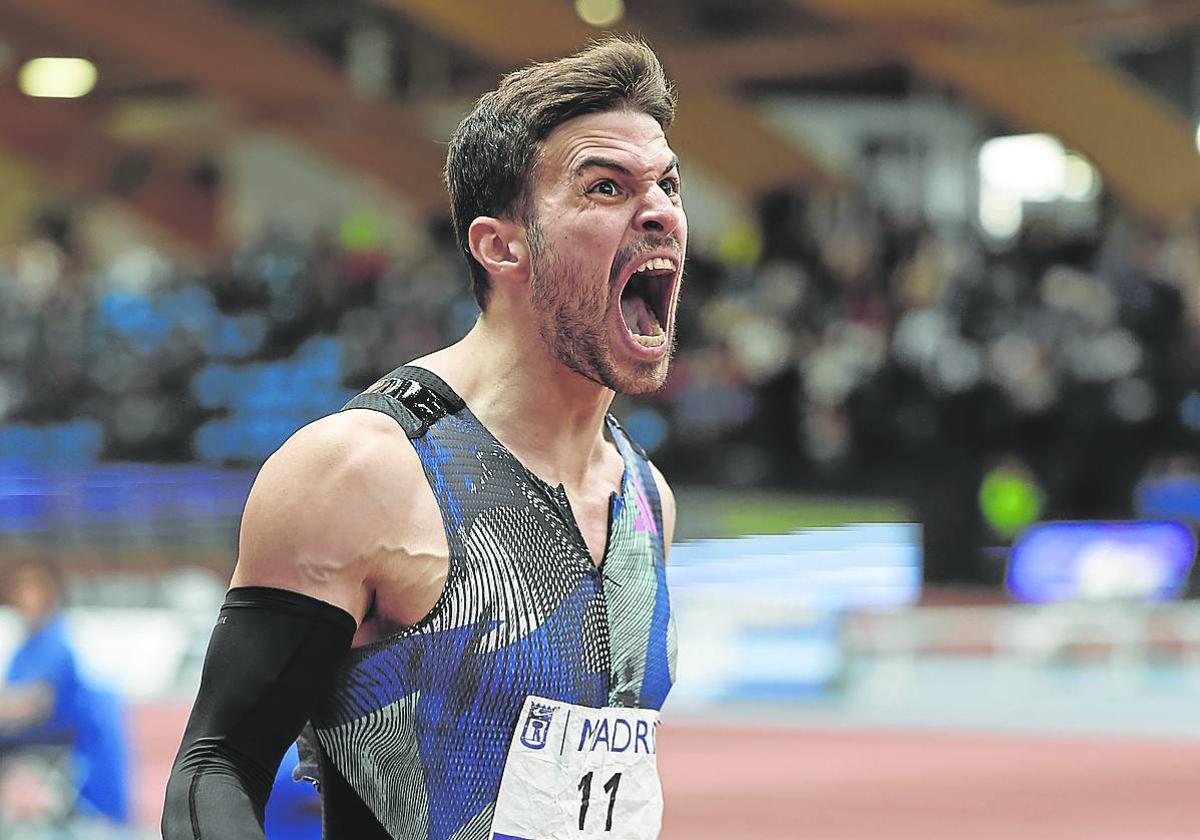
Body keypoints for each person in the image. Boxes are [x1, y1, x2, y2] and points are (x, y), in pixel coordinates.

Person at [163, 35, 684, 840]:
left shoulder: (646, 500)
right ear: (499, 245)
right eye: (606, 187)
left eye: (668, 184)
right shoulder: (363, 471)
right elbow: (215, 770)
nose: (657, 211)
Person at [0, 559, 129, 826]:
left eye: (30, 592)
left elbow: (34, 703)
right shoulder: (25, 649)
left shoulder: (57, 643)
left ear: (47, 596)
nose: (22, 600)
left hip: (58, 737)